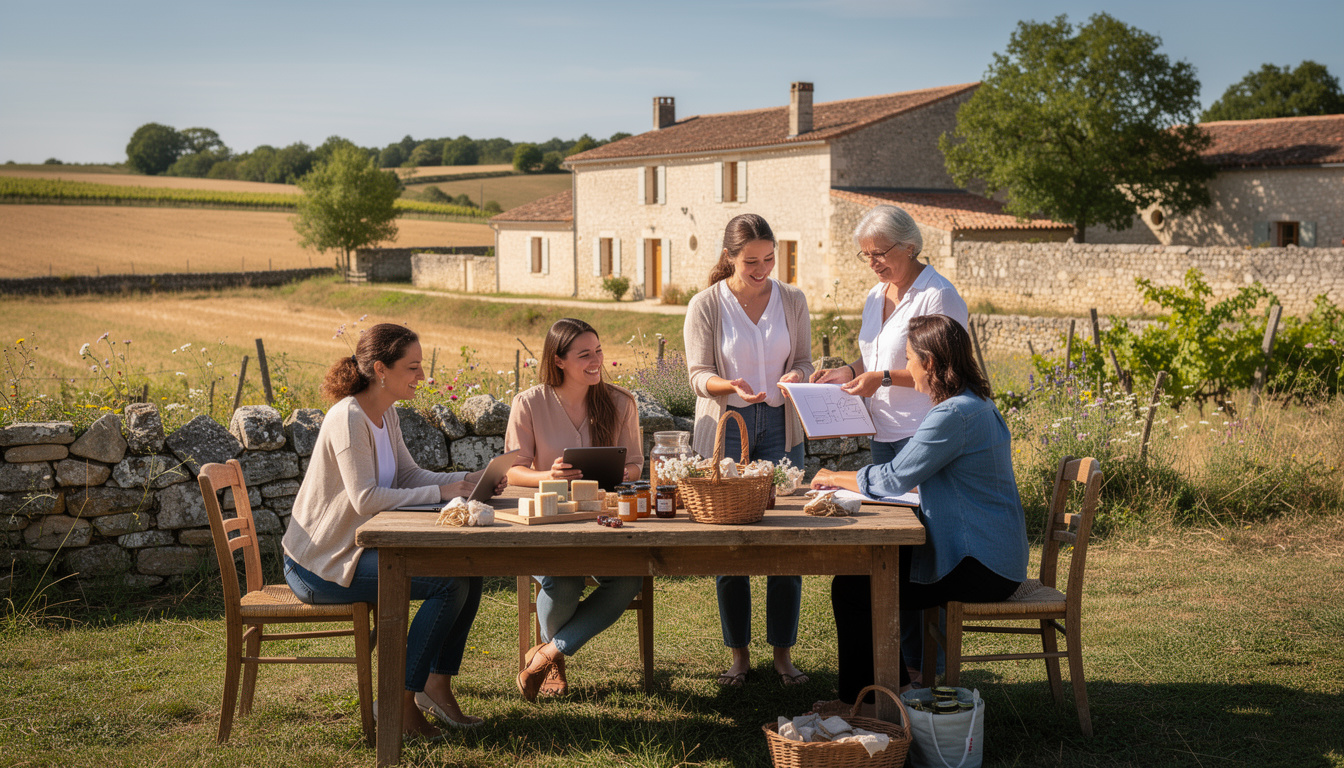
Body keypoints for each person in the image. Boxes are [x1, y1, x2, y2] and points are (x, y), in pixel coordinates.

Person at [283, 323, 502, 739]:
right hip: (321, 565)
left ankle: (434, 685)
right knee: (447, 582)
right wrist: (443, 490)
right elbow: (366, 498)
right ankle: (399, 699)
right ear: (381, 369)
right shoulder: (348, 419)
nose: (422, 376)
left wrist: (468, 478)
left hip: (352, 551)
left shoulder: (386, 414)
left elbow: (406, 474)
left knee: (468, 570)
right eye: (413, 367)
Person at [811, 314, 1028, 706]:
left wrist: (833, 475)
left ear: (929, 363)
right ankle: (894, 694)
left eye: (910, 359)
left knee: (856, 586)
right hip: (995, 557)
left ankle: (869, 702)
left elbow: (894, 478)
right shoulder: (974, 403)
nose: (906, 368)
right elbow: (917, 477)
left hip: (981, 566)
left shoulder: (952, 415)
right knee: (863, 580)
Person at [810, 203, 968, 680]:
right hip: (884, 434)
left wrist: (879, 377)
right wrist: (850, 372)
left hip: (926, 434)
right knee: (893, 553)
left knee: (927, 552)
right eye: (866, 255)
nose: (874, 262)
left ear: (910, 245)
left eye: (880, 252)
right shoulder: (876, 295)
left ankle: (931, 671)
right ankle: (901, 667)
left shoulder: (938, 295)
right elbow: (871, 360)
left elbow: (945, 370)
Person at [684, 213, 814, 687]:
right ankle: (738, 655)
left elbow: (802, 359)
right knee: (730, 541)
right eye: (751, 261)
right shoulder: (706, 304)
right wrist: (729, 384)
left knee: (787, 539)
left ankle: (782, 654)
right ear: (729, 257)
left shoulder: (792, 300)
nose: (762, 269)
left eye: (769, 259)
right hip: (728, 426)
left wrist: (797, 376)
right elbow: (697, 374)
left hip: (781, 425)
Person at [505, 318, 645, 701]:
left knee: (629, 580)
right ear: (559, 360)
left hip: (605, 520)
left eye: (598, 351)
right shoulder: (529, 403)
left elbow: (636, 464)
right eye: (584, 354)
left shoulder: (621, 402)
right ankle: (555, 663)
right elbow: (514, 470)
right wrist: (546, 475)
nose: (596, 360)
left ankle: (548, 653)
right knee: (563, 584)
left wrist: (617, 471)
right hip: (547, 523)